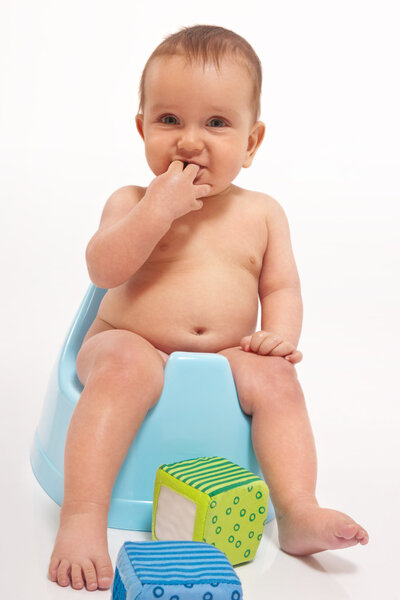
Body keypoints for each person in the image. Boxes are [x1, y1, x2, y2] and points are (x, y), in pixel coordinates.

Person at [48, 25, 369, 591]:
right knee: (124, 365)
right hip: (127, 342)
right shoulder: (130, 200)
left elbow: (281, 288)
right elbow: (104, 270)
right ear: (142, 127)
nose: (190, 141)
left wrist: (279, 334)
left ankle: (297, 510)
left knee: (277, 380)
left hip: (225, 354)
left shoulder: (263, 213)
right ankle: (82, 516)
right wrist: (156, 211)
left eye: (216, 123)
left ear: (251, 142)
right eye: (169, 120)